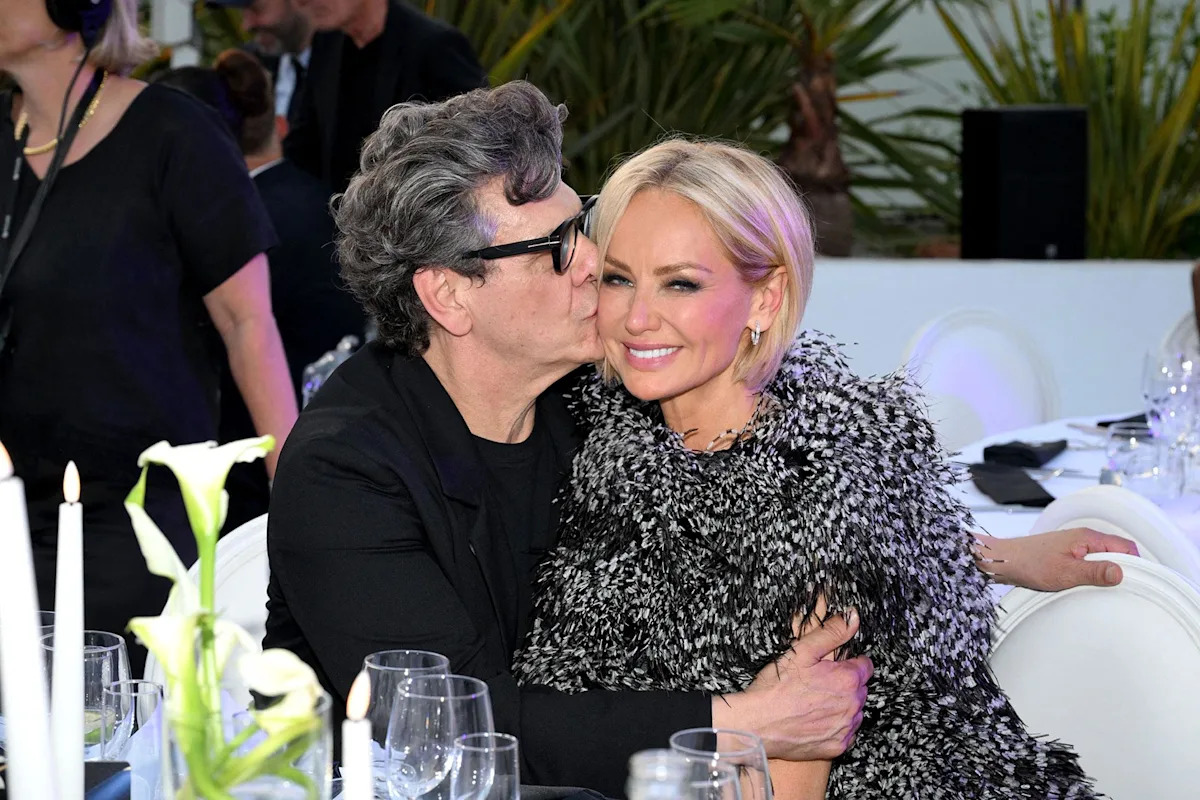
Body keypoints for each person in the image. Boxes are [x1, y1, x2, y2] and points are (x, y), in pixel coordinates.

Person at [265, 80, 1134, 796]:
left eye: (585, 223)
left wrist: (990, 553)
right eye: (559, 246)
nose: (593, 262)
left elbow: (772, 492)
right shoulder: (346, 469)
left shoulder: (595, 393)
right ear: (449, 296)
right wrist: (745, 720)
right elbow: (462, 726)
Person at [510, 138, 1119, 797]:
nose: (636, 318)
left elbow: (798, 758)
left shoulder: (816, 492)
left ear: (766, 298)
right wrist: (1000, 555)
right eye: (618, 278)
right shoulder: (607, 427)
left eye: (680, 283)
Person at [0, 0, 297, 675]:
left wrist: (302, 497)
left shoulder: (174, 134)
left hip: (134, 520)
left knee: (105, 724)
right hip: (12, 508)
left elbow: (248, 324)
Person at [154, 50, 362, 531]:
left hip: (246, 474)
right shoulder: (327, 202)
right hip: (339, 443)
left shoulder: (223, 227)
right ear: (275, 125)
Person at [283, 0, 487, 193]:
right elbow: (304, 143)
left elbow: (477, 137)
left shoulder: (434, 45)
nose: (301, 1)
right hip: (338, 210)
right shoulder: (326, 43)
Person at [207, 0, 313, 126]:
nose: (246, 25)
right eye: (242, 11)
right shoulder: (246, 71)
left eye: (256, 8)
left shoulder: (333, 71)